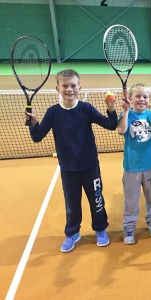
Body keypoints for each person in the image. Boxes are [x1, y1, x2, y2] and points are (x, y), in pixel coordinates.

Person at [25, 69, 117, 253]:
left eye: (73, 85)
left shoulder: (86, 108)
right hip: (68, 168)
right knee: (72, 204)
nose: (69, 89)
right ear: (57, 88)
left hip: (90, 165)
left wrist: (112, 110)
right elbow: (37, 137)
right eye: (65, 86)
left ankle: (100, 229)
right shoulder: (52, 113)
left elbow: (111, 125)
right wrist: (34, 122)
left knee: (96, 199)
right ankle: (73, 233)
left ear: (79, 88)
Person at [117, 83, 151, 245]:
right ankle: (129, 227)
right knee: (131, 200)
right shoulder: (126, 114)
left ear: (150, 100)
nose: (142, 99)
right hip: (132, 168)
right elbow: (121, 130)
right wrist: (125, 112)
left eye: (145, 97)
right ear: (131, 99)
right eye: (138, 96)